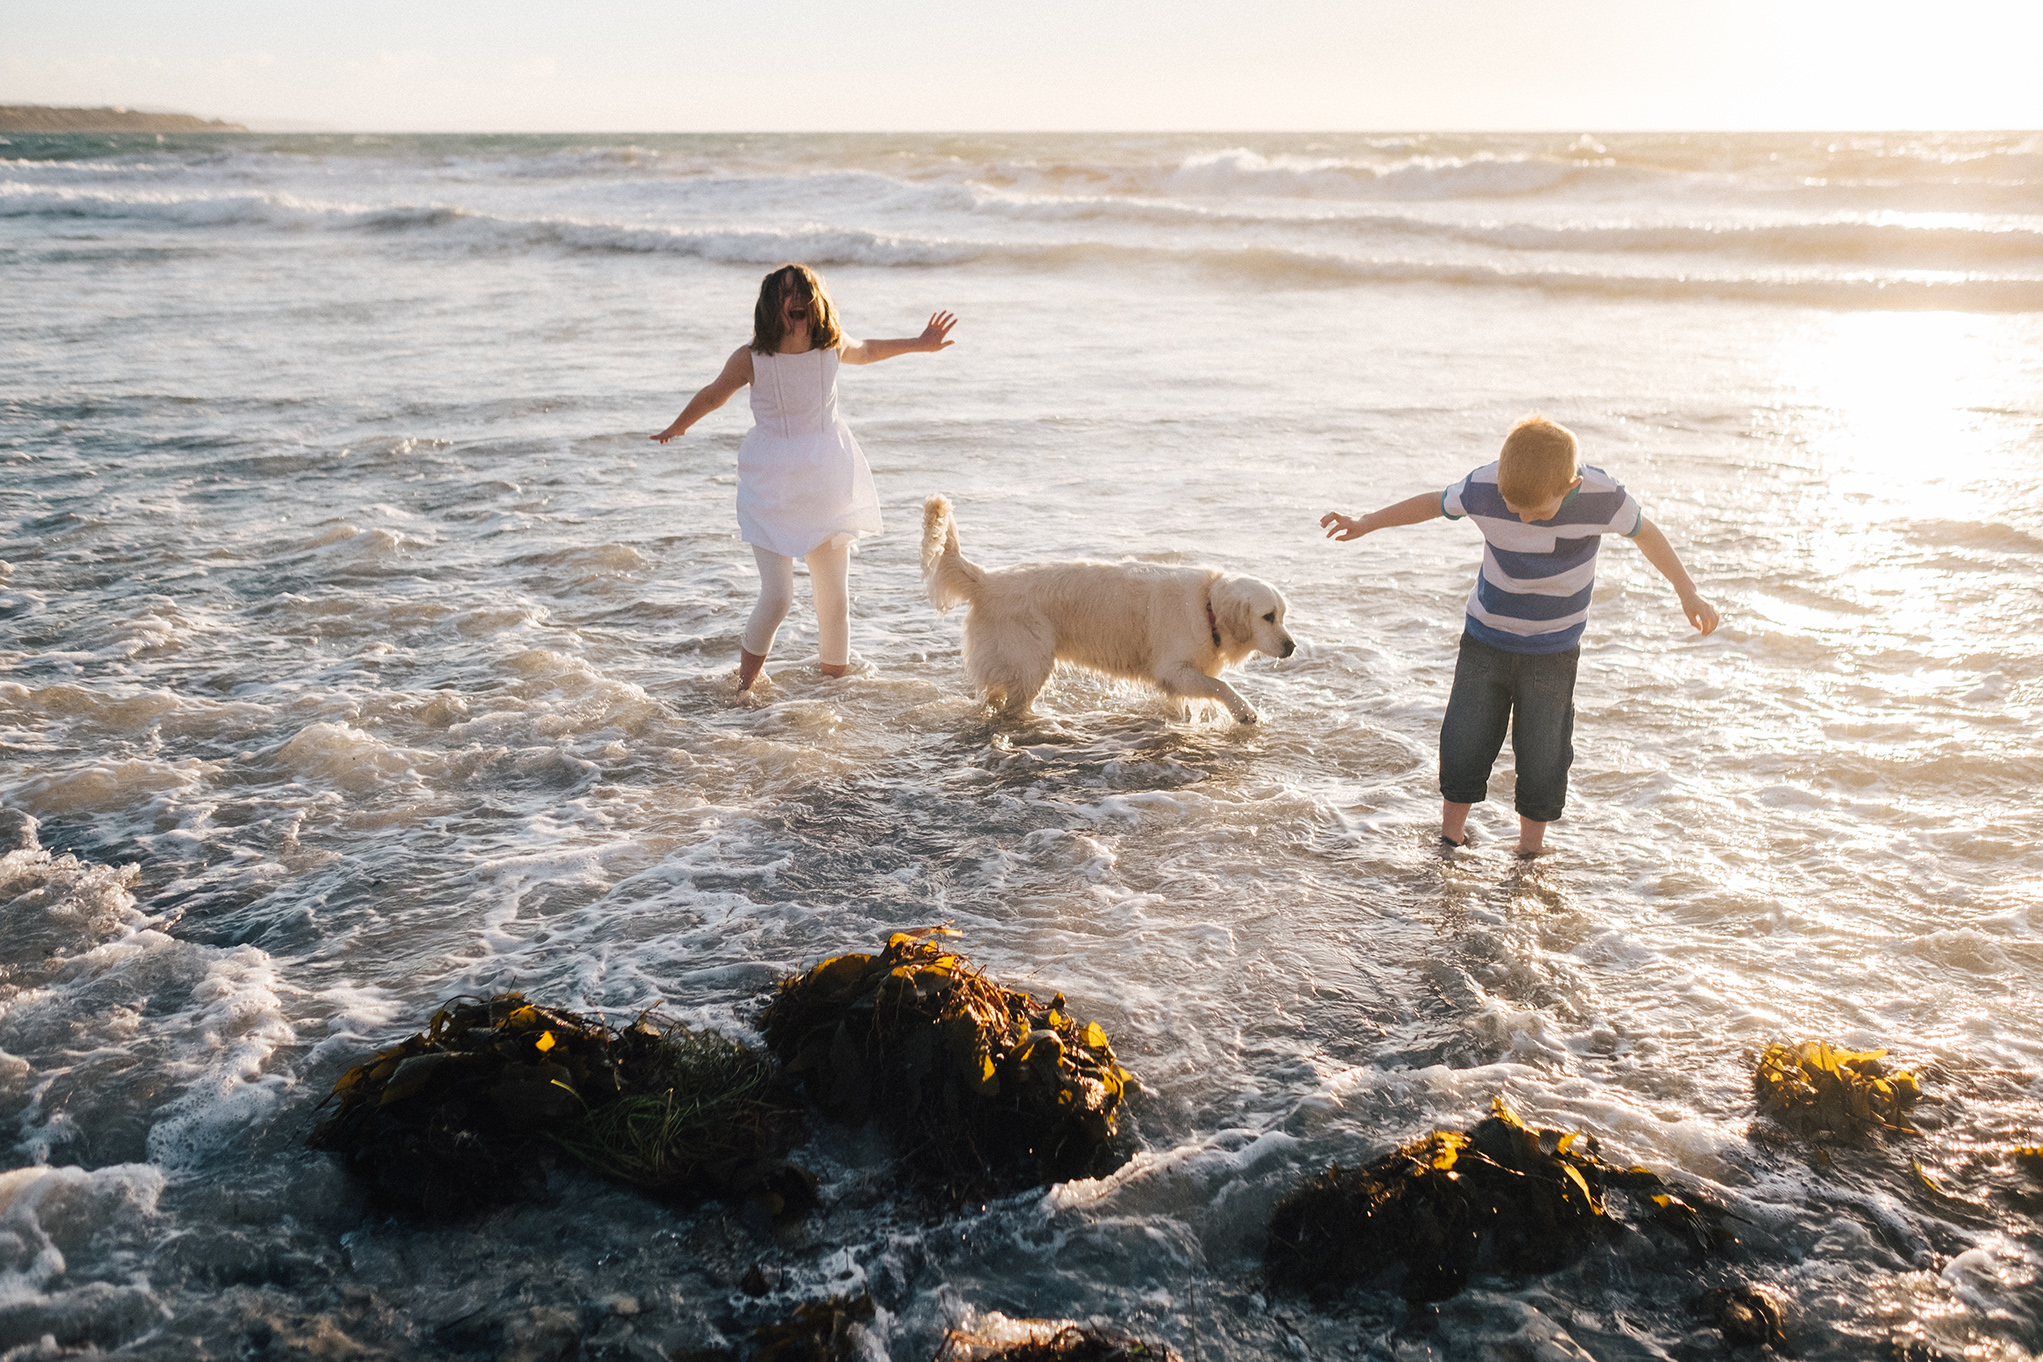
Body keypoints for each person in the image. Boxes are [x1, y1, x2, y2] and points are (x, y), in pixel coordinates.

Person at [1320, 414, 1719, 857]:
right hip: (1485, 640)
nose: (1526, 519)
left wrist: (1688, 591)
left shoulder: (1604, 497)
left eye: (1539, 511)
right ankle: (1451, 837)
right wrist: (1366, 522)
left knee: (1544, 752)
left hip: (1554, 649)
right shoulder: (1485, 486)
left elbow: (1649, 536)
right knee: (1464, 739)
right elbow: (1433, 504)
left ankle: (1530, 850)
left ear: (1570, 486)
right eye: (1514, 508)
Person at [654, 263, 957, 689]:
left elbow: (867, 349)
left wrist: (921, 343)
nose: (797, 301)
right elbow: (713, 394)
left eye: (804, 294)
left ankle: (834, 690)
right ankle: (745, 689)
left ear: (817, 303)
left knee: (833, 601)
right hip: (771, 480)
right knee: (778, 597)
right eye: (787, 295)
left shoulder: (830, 345)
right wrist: (679, 425)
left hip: (827, 476)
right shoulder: (751, 357)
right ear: (771, 305)